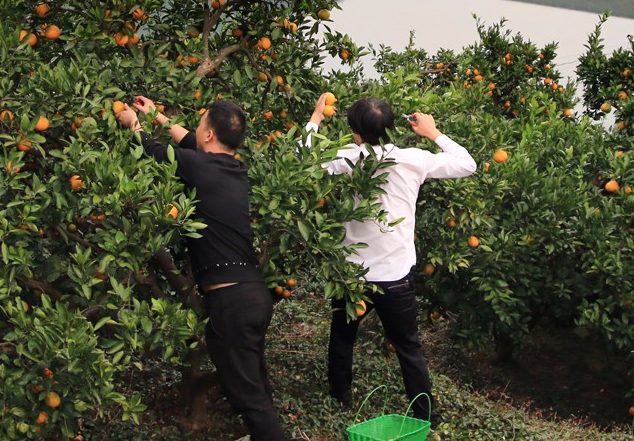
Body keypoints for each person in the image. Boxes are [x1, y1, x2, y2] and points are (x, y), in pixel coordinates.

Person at [116, 96, 286, 441]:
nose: (196, 129)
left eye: (201, 123)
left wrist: (133, 123)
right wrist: (157, 115)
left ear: (209, 135)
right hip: (254, 295)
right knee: (256, 383)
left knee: (248, 398)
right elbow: (190, 143)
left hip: (231, 303)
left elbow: (153, 151)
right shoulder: (233, 166)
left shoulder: (198, 166)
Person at [303, 93, 476, 426]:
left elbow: (303, 159)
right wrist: (433, 133)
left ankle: (339, 401)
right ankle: (426, 416)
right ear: (391, 126)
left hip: (351, 275)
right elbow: (467, 164)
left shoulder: (348, 158)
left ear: (355, 131)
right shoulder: (413, 159)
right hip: (395, 277)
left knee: (342, 338)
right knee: (408, 347)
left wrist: (315, 119)